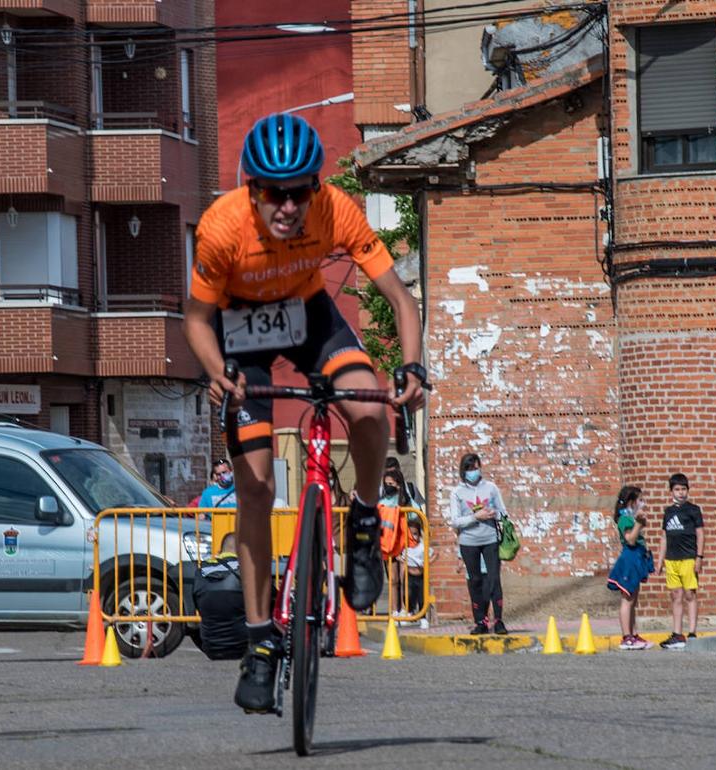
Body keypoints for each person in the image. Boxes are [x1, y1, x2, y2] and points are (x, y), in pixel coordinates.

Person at [184, 113, 426, 713]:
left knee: (369, 408)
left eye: (299, 191)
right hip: (240, 334)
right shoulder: (220, 228)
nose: (288, 206)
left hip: (308, 315)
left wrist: (413, 369)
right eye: (273, 192)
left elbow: (399, 296)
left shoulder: (334, 208)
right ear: (251, 188)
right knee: (257, 487)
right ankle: (262, 641)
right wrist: (216, 370)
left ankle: (364, 522)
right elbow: (194, 320)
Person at [447, 453, 508, 635]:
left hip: (490, 538)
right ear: (463, 471)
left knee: (493, 579)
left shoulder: (490, 488)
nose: (473, 471)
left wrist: (492, 513)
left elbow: (503, 513)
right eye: (469, 468)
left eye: (475, 467)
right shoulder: (457, 492)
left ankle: (498, 620)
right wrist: (475, 517)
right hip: (469, 542)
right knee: (475, 580)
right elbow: (455, 521)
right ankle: (480, 621)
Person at [654, 473, 703, 649]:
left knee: (690, 594)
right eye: (677, 489)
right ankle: (677, 633)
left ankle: (692, 632)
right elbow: (664, 537)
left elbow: (700, 534)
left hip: (688, 558)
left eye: (683, 489)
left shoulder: (693, 510)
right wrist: (660, 561)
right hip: (671, 559)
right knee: (676, 595)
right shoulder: (668, 512)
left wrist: (699, 557)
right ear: (671, 492)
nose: (681, 493)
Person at [607, 486, 654, 649]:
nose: (643, 503)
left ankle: (634, 634)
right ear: (630, 502)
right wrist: (639, 525)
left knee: (633, 599)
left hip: (637, 559)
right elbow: (630, 540)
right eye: (640, 500)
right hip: (629, 559)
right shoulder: (625, 519)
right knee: (627, 599)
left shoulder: (632, 519)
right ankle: (626, 636)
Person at [191, 533, 247, 660]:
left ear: (220, 551)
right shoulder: (245, 571)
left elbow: (197, 607)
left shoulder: (200, 573)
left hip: (210, 648)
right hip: (242, 648)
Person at [398, 518, 434, 629]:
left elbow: (434, 555)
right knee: (407, 595)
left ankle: (422, 617)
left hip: (420, 576)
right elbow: (400, 557)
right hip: (409, 575)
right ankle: (409, 612)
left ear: (419, 534)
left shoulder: (422, 547)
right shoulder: (406, 548)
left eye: (415, 534)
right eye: (410, 534)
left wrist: (426, 563)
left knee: (421, 597)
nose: (413, 537)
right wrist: (400, 560)